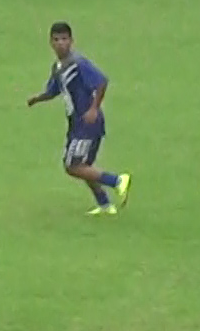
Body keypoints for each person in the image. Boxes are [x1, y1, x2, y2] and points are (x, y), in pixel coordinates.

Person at [26, 22, 131, 216]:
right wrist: (37, 99)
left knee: (73, 166)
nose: (60, 44)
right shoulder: (58, 68)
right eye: (56, 40)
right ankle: (106, 205)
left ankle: (117, 181)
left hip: (87, 122)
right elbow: (53, 90)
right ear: (50, 42)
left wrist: (93, 109)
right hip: (76, 123)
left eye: (64, 39)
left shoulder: (78, 63)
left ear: (72, 41)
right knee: (84, 167)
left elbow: (101, 81)